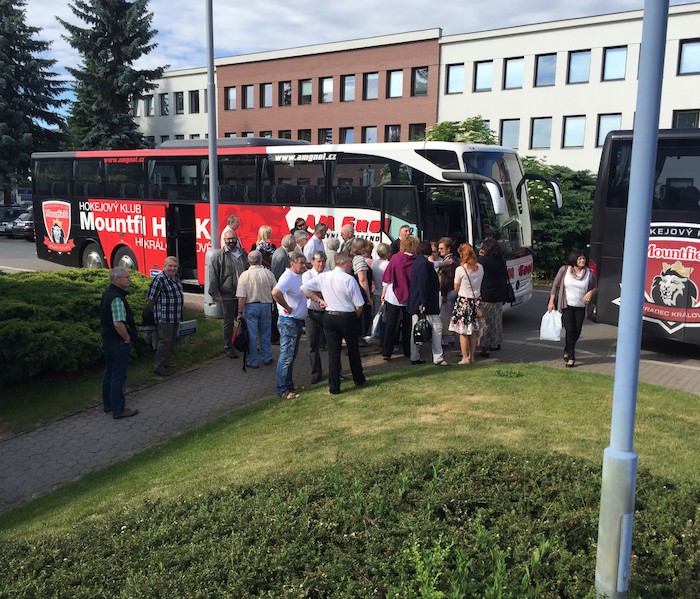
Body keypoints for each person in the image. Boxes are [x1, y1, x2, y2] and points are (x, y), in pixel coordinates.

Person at [301, 251, 366, 395]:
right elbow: (359, 304)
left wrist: (318, 300)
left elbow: (304, 288)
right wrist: (355, 315)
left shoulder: (325, 276)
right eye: (350, 262)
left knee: (333, 352)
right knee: (353, 349)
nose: (351, 266)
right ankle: (358, 379)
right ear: (343, 263)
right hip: (346, 315)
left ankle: (334, 386)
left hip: (329, 316)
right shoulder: (349, 279)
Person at [548, 250, 598, 368]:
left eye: (584, 259)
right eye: (580, 259)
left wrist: (590, 293)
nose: (582, 261)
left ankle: (567, 349)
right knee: (570, 331)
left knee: (577, 332)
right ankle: (571, 357)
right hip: (567, 305)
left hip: (580, 306)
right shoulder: (564, 270)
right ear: (574, 260)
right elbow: (555, 286)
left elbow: (595, 287)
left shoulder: (589, 273)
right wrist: (551, 302)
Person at [100, 267, 138, 419]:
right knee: (118, 375)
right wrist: (127, 338)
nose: (129, 279)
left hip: (108, 338)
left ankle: (108, 403)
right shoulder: (116, 298)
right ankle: (119, 409)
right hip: (117, 340)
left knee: (109, 371)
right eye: (126, 277)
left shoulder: (108, 293)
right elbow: (118, 323)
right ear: (117, 280)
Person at [271, 254, 309, 399]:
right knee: (286, 356)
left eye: (305, 263)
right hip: (289, 321)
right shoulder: (287, 277)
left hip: (296, 321)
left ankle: (289, 384)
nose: (304, 266)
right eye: (301, 263)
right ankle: (282, 389)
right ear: (292, 263)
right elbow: (275, 292)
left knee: (291, 355)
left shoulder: (299, 276)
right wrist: (286, 306)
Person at [209, 229, 248, 358]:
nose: (231, 241)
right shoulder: (219, 256)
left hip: (243, 294)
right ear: (224, 240)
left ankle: (243, 343)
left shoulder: (243, 253)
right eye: (228, 239)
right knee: (229, 322)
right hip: (228, 294)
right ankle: (228, 347)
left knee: (244, 320)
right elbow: (213, 275)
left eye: (233, 238)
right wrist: (214, 293)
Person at [236, 250, 278, 368]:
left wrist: (239, 312)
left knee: (252, 335)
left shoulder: (244, 275)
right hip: (266, 306)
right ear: (260, 260)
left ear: (249, 261)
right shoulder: (268, 273)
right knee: (265, 333)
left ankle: (253, 361)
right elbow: (275, 290)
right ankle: (267, 357)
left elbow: (242, 297)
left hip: (251, 306)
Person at [408, 241, 448, 366]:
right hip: (426, 302)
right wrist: (423, 302)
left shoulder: (418, 262)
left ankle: (415, 356)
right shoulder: (424, 264)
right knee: (437, 327)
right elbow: (423, 285)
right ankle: (438, 356)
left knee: (416, 328)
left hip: (417, 301)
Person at [381, 235, 418, 360]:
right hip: (410, 296)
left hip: (393, 295)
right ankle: (408, 350)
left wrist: (384, 292)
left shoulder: (396, 258)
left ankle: (387, 352)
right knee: (408, 325)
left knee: (391, 324)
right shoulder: (416, 260)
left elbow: (388, 276)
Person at [147, 255, 184, 376]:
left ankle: (166, 363)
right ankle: (159, 367)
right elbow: (151, 298)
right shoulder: (160, 279)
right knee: (164, 341)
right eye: (170, 266)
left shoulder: (177, 278)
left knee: (171, 341)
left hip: (175, 316)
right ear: (164, 266)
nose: (172, 268)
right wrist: (155, 312)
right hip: (165, 317)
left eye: (175, 266)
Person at [449, 243, 484, 365]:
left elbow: (456, 287)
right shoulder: (480, 267)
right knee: (473, 330)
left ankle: (465, 357)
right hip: (476, 300)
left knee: (463, 331)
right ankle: (472, 356)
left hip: (463, 301)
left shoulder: (460, 269)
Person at [476, 238, 509, 357]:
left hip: (486, 293)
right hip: (499, 293)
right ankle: (496, 342)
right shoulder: (501, 260)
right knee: (496, 320)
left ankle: (485, 347)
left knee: (485, 322)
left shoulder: (483, 261)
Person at [302, 250, 328, 384]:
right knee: (312, 343)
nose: (321, 264)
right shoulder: (307, 275)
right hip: (311, 313)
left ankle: (336, 370)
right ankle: (316, 372)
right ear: (312, 262)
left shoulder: (329, 273)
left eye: (323, 261)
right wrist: (319, 294)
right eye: (318, 262)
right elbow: (307, 292)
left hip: (327, 312)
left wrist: (315, 292)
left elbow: (330, 290)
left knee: (331, 342)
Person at [350, 237, 373, 341]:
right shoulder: (360, 260)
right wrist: (368, 297)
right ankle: (359, 339)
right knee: (362, 317)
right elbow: (363, 279)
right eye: (363, 247)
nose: (365, 249)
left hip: (354, 292)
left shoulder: (351, 257)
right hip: (361, 293)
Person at [437, 236, 457, 347]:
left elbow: (446, 280)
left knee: (444, 316)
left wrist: (444, 294)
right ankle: (449, 337)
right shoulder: (453, 260)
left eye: (441, 249)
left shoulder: (449, 262)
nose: (440, 251)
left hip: (447, 292)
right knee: (448, 315)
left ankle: (447, 338)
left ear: (448, 249)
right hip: (451, 292)